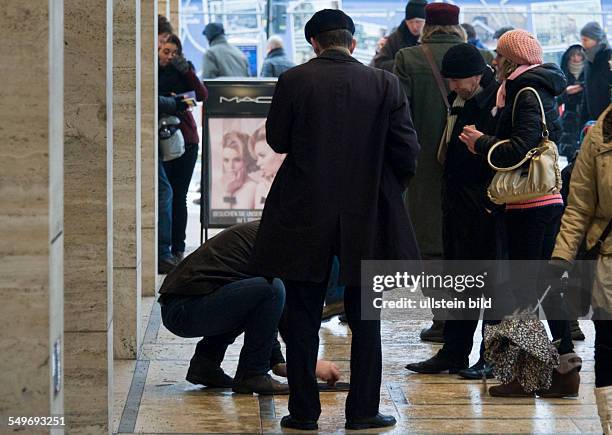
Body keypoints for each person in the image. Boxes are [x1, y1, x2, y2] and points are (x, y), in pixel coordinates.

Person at [248, 9, 420, 431]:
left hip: (304, 208)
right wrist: (384, 187)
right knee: (366, 315)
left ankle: (303, 412)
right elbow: (407, 150)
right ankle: (362, 411)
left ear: (314, 44)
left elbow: (278, 139)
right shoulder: (385, 83)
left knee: (304, 312)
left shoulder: (293, 80)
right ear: (353, 42)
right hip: (366, 211)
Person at [459, 29, 579, 398]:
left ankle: (526, 377)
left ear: (512, 59)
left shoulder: (525, 91)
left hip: (529, 204)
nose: (493, 60)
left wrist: (481, 142)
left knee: (524, 290)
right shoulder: (529, 88)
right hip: (541, 202)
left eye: (499, 55)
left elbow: (523, 147)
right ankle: (565, 367)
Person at [404, 44, 503, 378]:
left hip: (486, 208)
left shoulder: (497, 100)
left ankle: (492, 356)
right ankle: (454, 351)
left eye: (458, 80)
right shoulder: (464, 100)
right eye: (451, 81)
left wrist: (488, 202)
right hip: (458, 205)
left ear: (477, 74)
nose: (453, 87)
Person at [158, 221, 341, 394]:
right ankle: (253, 374)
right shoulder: (283, 243)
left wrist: (280, 363)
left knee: (260, 293)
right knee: (272, 289)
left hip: (183, 306)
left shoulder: (279, 232)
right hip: (183, 310)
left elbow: (268, 314)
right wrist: (306, 366)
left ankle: (206, 364)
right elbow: (278, 307)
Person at [394, 3, 469, 342]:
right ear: (457, 26)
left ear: (427, 27)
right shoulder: (476, 55)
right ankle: (467, 321)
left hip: (423, 167)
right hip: (469, 161)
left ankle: (442, 321)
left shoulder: (408, 59)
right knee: (465, 241)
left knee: (430, 245)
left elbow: (399, 118)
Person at [551, 105, 612, 434]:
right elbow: (580, 205)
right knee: (608, 349)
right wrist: (561, 258)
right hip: (607, 265)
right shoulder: (602, 133)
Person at [159, 34, 208, 261]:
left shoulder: (184, 71)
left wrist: (185, 73)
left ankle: (178, 247)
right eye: (165, 51)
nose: (169, 56)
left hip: (186, 140)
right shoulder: (152, 73)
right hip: (161, 139)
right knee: (165, 195)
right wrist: (172, 101)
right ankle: (164, 247)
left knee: (179, 195)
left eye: (174, 52)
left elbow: (200, 96)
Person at [369, 0, 427, 72]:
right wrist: (403, 63)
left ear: (426, 21)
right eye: (410, 22)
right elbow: (379, 63)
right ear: (406, 21)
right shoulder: (396, 38)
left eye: (418, 22)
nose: (414, 26)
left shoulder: (433, 38)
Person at [212, 131, 257, 210]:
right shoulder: (216, 185)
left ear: (246, 160)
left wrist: (228, 193)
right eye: (226, 160)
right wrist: (228, 192)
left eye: (237, 160)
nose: (230, 166)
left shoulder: (253, 187)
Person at [247, 124, 285, 210]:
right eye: (257, 157)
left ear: (282, 153)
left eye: (262, 155)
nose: (258, 163)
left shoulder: (302, 185)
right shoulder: (261, 186)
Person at [580, 22, 612, 122]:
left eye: (586, 39)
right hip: (593, 118)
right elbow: (587, 91)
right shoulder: (588, 61)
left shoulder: (609, 58)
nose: (582, 43)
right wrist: (583, 118)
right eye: (581, 39)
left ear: (597, 39)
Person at [558, 44, 586, 158]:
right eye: (573, 55)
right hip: (570, 117)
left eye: (579, 55)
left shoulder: (589, 72)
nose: (575, 58)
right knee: (571, 153)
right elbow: (557, 98)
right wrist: (567, 92)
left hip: (586, 114)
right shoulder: (562, 73)